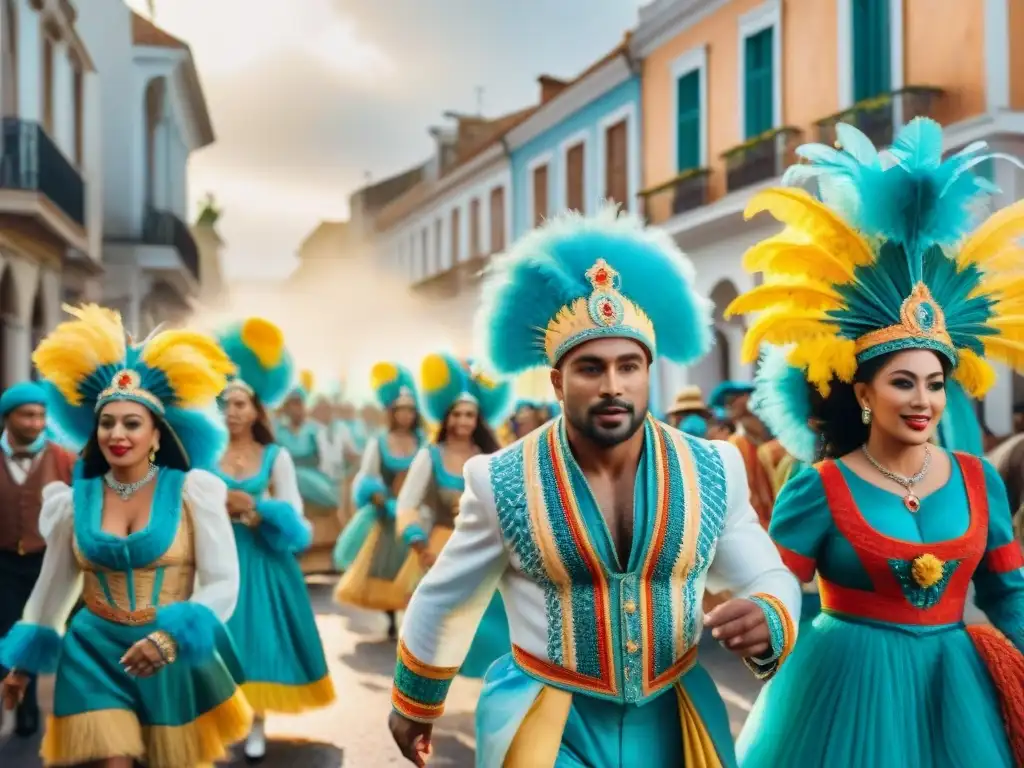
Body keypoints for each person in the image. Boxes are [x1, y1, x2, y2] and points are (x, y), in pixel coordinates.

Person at [388, 207, 801, 767]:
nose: (613, 386)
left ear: (649, 371)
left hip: (673, 714)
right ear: (558, 380)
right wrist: (414, 701)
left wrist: (771, 612)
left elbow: (767, 573)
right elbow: (446, 594)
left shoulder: (713, 467)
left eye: (628, 366)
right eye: (590, 369)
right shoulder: (500, 478)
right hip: (547, 722)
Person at [726, 118, 1024, 767]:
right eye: (902, 382)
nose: (923, 400)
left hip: (957, 695)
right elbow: (777, 585)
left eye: (935, 383)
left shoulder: (980, 480)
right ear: (863, 394)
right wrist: (762, 627)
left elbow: (1009, 596)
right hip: (841, 695)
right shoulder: (820, 487)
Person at [0, 304, 250, 767]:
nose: (117, 433)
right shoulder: (73, 502)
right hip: (92, 651)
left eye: (132, 423)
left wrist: (169, 641)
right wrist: (22, 663)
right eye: (107, 422)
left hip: (167, 654)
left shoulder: (194, 493)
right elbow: (54, 584)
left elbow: (222, 582)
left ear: (156, 434)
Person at [215, 318, 336, 761]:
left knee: (259, 642)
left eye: (241, 404)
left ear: (256, 410)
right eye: (226, 404)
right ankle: (221, 719)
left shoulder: (277, 455)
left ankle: (256, 722)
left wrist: (255, 509)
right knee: (216, 641)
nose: (233, 412)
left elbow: (295, 517)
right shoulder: (207, 456)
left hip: (263, 559)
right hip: (217, 558)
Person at [394, 353, 510, 678]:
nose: (463, 421)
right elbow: (407, 504)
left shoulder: (492, 458)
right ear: (447, 417)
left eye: (470, 415)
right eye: (457, 414)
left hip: (486, 550)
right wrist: (418, 543)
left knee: (491, 630)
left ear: (479, 419)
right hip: (440, 549)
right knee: (433, 635)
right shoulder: (429, 456)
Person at [0, 381, 75, 738]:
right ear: (8, 417)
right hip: (3, 561)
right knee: (8, 631)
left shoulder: (65, 459)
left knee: (50, 629)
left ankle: (61, 710)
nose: (35, 422)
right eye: (27, 415)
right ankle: (23, 709)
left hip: (49, 560)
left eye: (41, 415)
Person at [333, 363, 424, 640]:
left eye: (410, 410)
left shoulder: (422, 443)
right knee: (386, 567)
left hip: (415, 514)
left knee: (415, 568)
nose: (405, 416)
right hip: (386, 513)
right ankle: (390, 618)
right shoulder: (379, 442)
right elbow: (368, 475)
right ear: (392, 413)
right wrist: (377, 496)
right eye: (400, 410)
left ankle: (411, 618)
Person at [276, 370, 340, 573]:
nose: (296, 408)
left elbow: (327, 460)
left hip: (313, 478)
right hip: (285, 478)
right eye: (292, 404)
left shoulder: (315, 429)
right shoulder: (279, 430)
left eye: (299, 403)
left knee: (301, 481)